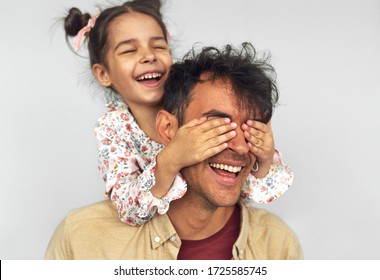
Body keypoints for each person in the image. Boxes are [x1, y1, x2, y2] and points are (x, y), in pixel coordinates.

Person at [45, 42, 302, 260]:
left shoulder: (279, 247)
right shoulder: (81, 240)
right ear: (167, 128)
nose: (239, 147)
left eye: (251, 130)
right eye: (217, 127)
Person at [63, 0, 293, 227]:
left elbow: (249, 190)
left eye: (159, 46)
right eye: (130, 50)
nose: (148, 56)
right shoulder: (114, 127)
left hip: (208, 226)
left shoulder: (195, 101)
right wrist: (172, 158)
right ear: (103, 74)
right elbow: (128, 208)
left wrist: (263, 158)